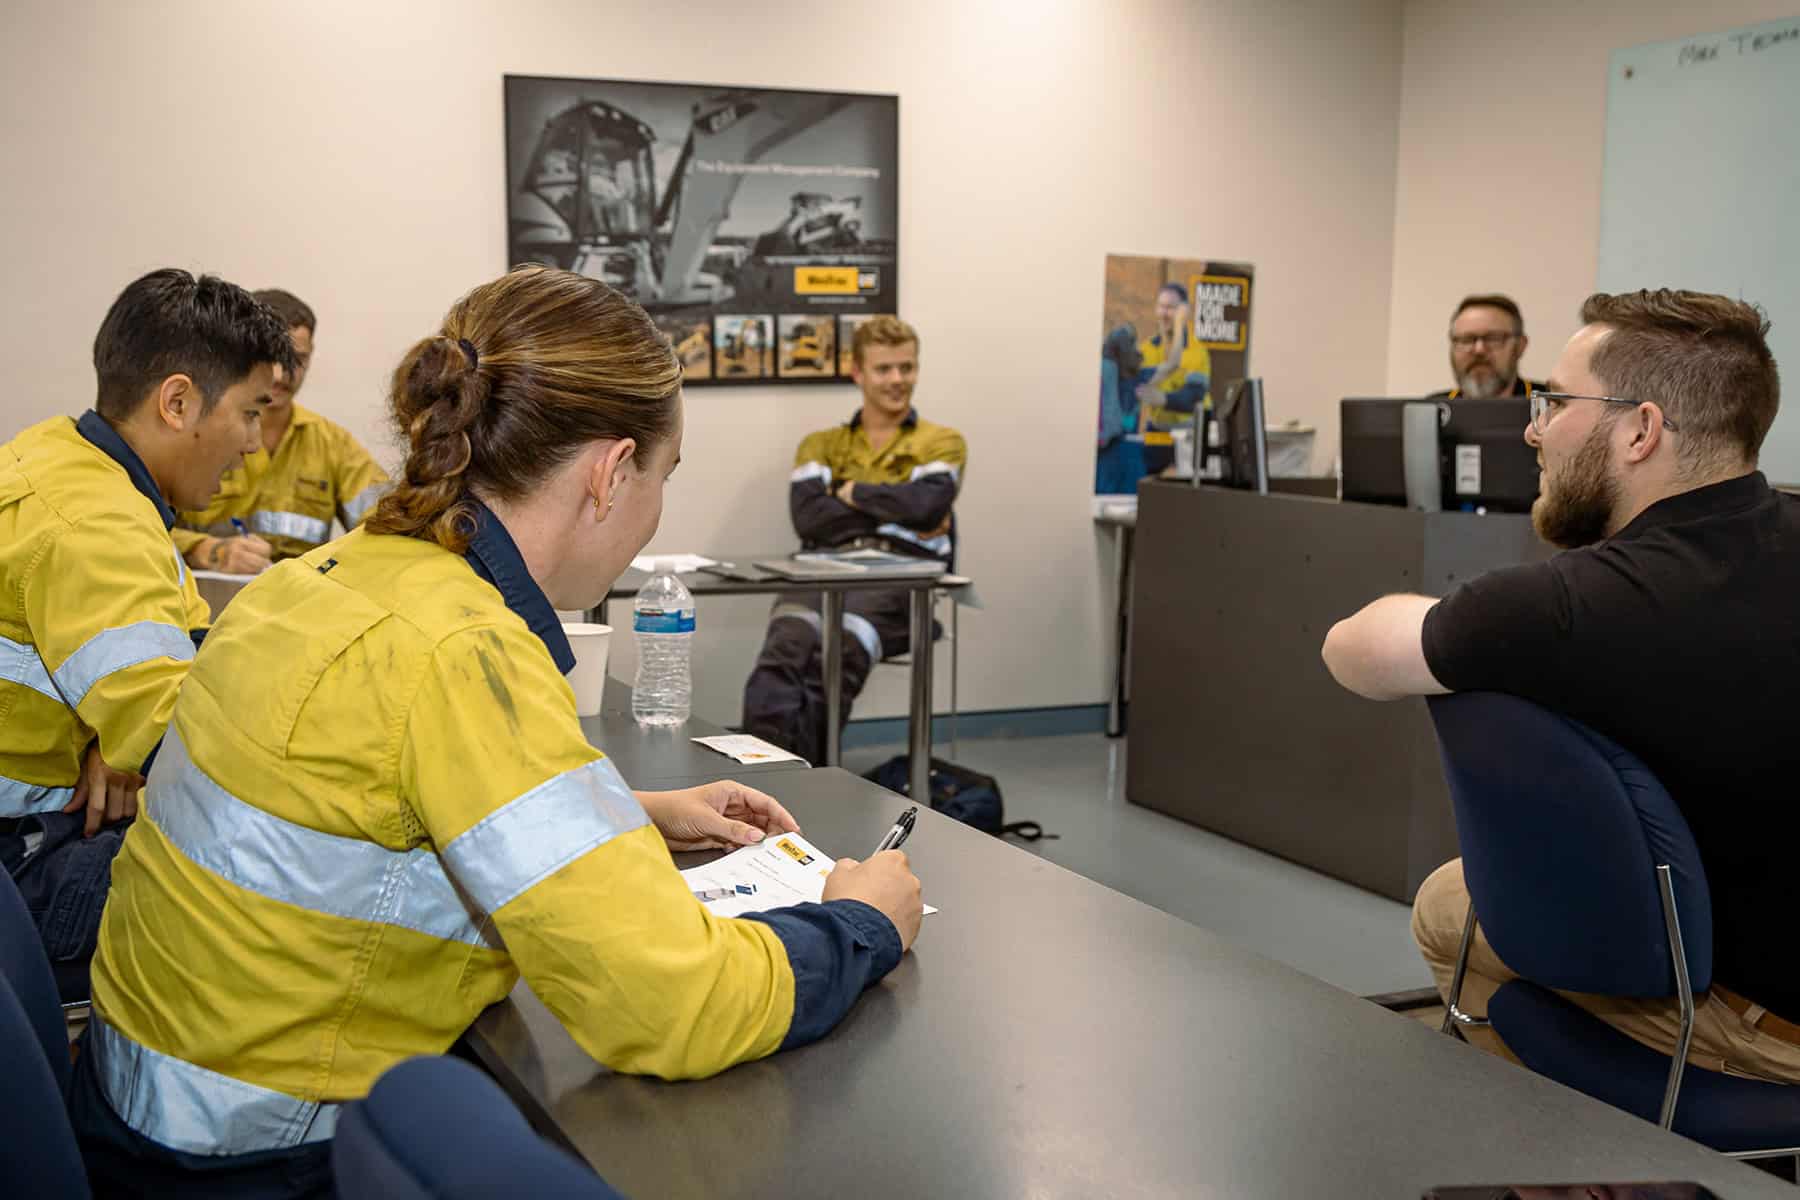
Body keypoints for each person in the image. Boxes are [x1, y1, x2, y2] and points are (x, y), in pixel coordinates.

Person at [76, 266, 925, 1196]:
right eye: (663, 475)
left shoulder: (326, 576)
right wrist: (860, 921)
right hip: (256, 1152)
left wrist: (622, 809)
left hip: (133, 1103)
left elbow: (359, 800)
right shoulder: (464, 650)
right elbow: (669, 1003)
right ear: (609, 474)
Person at [1321, 289, 1800, 1083]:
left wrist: (1442, 614)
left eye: (1554, 402)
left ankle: (1580, 1158)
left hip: (1764, 1030)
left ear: (1640, 430)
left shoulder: (1570, 606)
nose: (1533, 428)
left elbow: (1350, 651)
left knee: (1450, 907)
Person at [0, 269, 292, 985]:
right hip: (25, 860)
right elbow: (184, 746)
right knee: (289, 894)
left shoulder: (67, 456)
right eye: (251, 412)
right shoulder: (93, 524)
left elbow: (188, 649)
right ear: (178, 401)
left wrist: (112, 733)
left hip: (38, 827)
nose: (254, 444)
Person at [742, 315, 967, 765]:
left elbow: (926, 508)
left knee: (834, 658)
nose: (898, 379)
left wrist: (849, 493)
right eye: (884, 369)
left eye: (907, 367)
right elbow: (809, 519)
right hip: (822, 570)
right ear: (857, 373)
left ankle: (808, 789)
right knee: (782, 656)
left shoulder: (942, 442)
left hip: (901, 581)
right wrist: (892, 508)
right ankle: (763, 784)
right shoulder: (820, 445)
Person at [173, 288, 390, 573]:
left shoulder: (331, 444)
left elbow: (386, 523)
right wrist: (207, 551)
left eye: (297, 359)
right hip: (208, 604)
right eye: (274, 357)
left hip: (297, 605)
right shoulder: (197, 431)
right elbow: (142, 528)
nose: (282, 373)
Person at [1429, 294, 1543, 401]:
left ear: (1520, 346)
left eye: (1493, 338)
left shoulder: (1552, 406)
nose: (1479, 350)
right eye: (1467, 340)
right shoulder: (1433, 410)